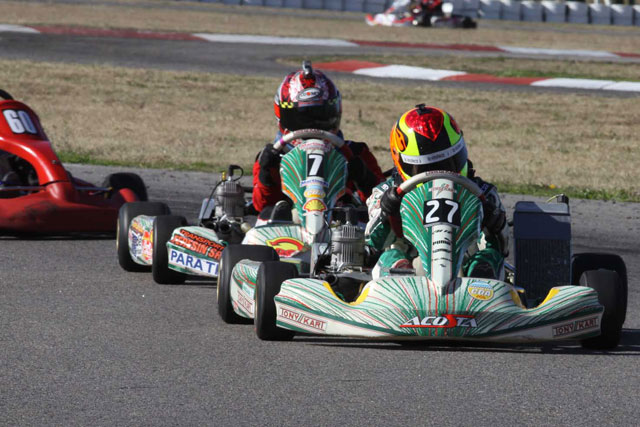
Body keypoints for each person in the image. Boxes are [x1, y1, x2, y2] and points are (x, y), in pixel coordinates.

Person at [364, 104, 509, 279]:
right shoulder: (385, 193)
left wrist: (494, 221)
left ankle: (482, 283)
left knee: (489, 258)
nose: (439, 174)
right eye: (425, 168)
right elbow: (372, 244)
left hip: (464, 275)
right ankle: (400, 281)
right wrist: (387, 212)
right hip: (410, 273)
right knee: (391, 256)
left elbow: (502, 248)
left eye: (448, 163)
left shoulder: (483, 193)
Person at [252, 61, 385, 220]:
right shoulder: (273, 157)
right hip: (291, 229)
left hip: (343, 227)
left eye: (320, 117)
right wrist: (267, 174)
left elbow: (381, 203)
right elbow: (262, 206)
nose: (311, 127)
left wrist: (363, 177)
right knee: (267, 215)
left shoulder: (355, 153)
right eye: (302, 119)